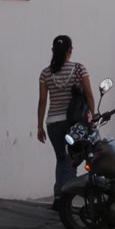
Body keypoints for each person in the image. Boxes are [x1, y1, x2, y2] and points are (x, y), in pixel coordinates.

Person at [36, 35, 95, 203]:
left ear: (53, 51)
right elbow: (89, 95)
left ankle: (58, 195)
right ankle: (66, 199)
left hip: (52, 122)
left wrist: (39, 126)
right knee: (71, 160)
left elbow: (42, 101)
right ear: (70, 50)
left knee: (61, 158)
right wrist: (92, 115)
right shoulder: (79, 69)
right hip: (74, 122)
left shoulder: (46, 73)